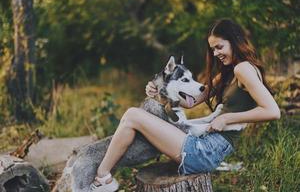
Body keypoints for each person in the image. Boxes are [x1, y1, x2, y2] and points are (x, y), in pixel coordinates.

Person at [89, 19, 280, 192]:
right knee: (134, 117)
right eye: (213, 49)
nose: (215, 54)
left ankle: (101, 178)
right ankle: (103, 177)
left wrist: (228, 118)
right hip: (205, 146)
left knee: (132, 115)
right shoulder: (229, 73)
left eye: (219, 47)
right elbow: (191, 102)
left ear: (234, 40)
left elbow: (272, 111)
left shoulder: (243, 68)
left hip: (205, 150)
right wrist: (159, 92)